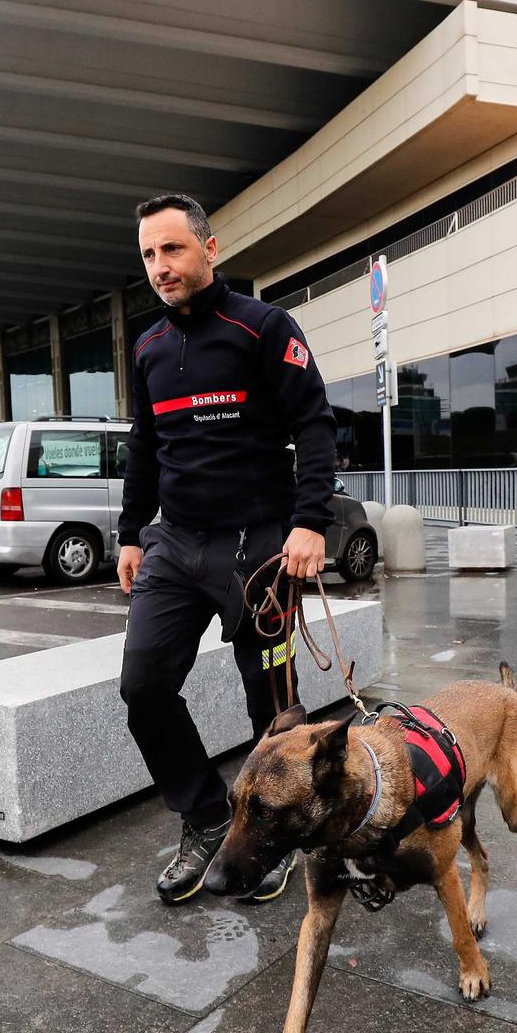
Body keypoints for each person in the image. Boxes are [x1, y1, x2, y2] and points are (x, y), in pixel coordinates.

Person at [117, 193, 337, 906]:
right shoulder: (148, 347)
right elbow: (145, 448)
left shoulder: (263, 328)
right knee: (143, 688)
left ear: (210, 249)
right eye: (150, 254)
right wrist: (128, 532)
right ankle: (209, 820)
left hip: (259, 551)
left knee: (272, 711)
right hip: (174, 547)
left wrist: (309, 522)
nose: (161, 266)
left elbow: (315, 425)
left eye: (173, 249)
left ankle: (273, 838)